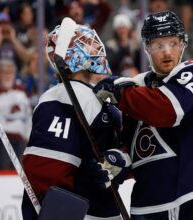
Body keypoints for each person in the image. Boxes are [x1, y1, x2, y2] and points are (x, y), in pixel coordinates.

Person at [94, 10, 193, 220]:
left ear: (183, 44)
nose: (167, 53)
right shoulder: (137, 90)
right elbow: (133, 145)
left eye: (173, 43)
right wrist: (117, 162)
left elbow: (167, 109)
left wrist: (121, 91)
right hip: (149, 207)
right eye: (159, 45)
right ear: (147, 48)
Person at [21, 20, 131, 219]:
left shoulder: (99, 97)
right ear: (72, 54)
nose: (96, 47)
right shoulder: (60, 97)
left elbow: (125, 150)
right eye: (86, 42)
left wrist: (120, 159)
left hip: (106, 212)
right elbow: (47, 169)